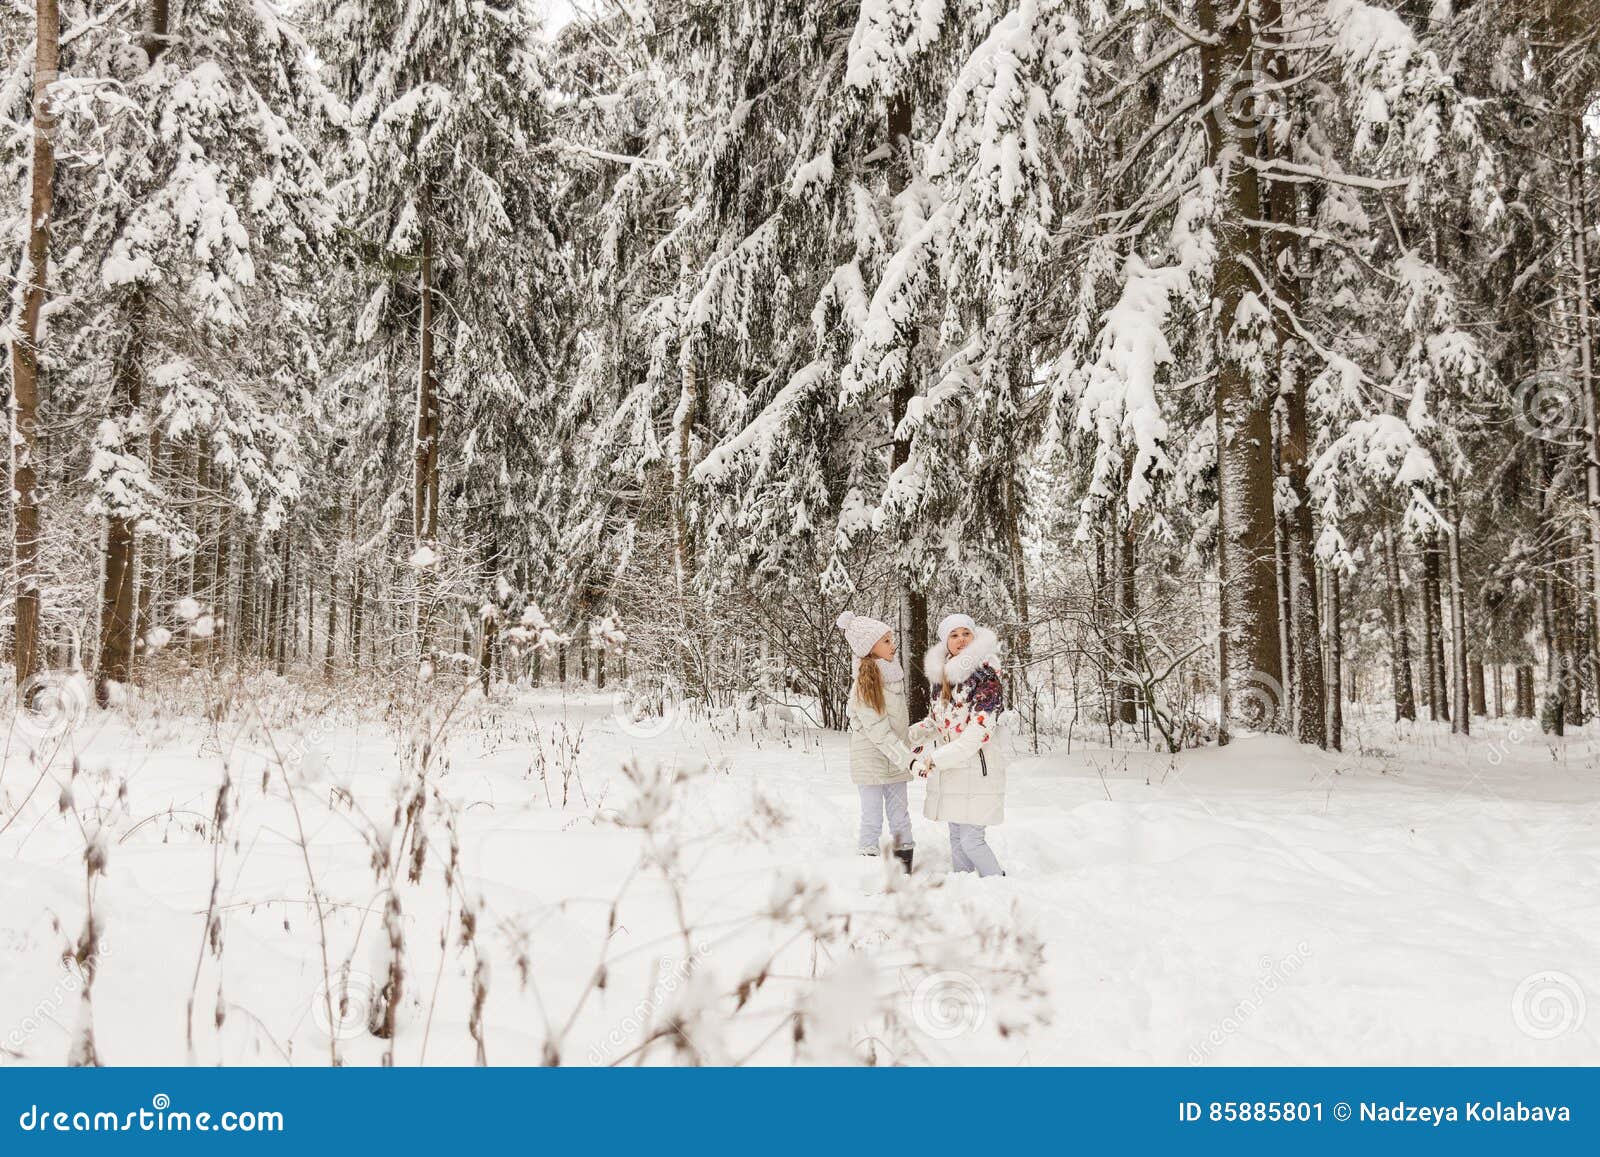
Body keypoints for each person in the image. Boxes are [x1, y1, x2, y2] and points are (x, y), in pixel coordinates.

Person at [837, 611, 931, 872]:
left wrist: (915, 738)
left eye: (892, 639)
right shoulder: (865, 685)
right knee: (872, 817)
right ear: (870, 648)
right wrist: (909, 760)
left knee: (900, 815)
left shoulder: (893, 678)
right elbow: (878, 731)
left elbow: (894, 727)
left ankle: (904, 870)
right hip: (870, 761)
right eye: (886, 641)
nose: (894, 645)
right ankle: (866, 870)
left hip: (895, 758)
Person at [915, 613, 1007, 877]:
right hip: (953, 768)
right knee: (956, 837)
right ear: (946, 642)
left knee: (971, 840)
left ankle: (999, 885)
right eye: (954, 635)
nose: (961, 639)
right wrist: (913, 734)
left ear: (974, 636)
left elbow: (980, 728)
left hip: (978, 767)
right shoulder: (942, 679)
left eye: (966, 633)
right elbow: (938, 721)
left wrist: (941, 757)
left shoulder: (985, 676)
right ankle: (965, 890)